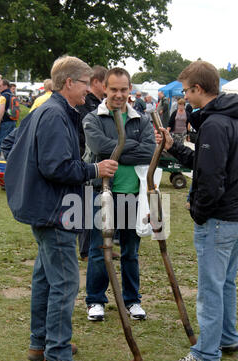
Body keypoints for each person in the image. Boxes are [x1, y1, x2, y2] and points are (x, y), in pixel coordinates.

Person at [4, 55, 118, 361]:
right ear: (69, 83)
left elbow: (22, 151)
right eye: (86, 83)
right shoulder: (54, 114)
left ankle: (41, 343)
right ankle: (57, 358)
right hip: (56, 212)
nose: (90, 89)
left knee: (45, 278)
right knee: (65, 283)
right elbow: (56, 167)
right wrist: (94, 170)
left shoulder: (46, 110)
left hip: (46, 209)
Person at [157, 60, 238, 361]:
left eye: (186, 90)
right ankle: (227, 338)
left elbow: (212, 179)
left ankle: (206, 355)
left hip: (222, 219)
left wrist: (198, 210)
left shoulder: (214, 123)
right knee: (224, 281)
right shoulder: (230, 116)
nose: (185, 96)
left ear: (198, 89)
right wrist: (175, 147)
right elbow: (207, 162)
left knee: (211, 287)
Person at [82, 67, 156, 322]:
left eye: (124, 89)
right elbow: (99, 147)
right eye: (114, 89)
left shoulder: (141, 119)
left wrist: (119, 150)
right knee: (99, 248)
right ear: (105, 88)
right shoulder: (93, 118)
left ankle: (132, 300)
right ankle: (95, 300)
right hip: (101, 192)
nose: (119, 94)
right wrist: (128, 148)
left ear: (130, 89)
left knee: (130, 251)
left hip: (133, 194)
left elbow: (150, 151)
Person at [76, 65, 107, 262]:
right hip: (83, 158)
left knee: (97, 205)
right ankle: (86, 249)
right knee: (86, 205)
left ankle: (99, 245)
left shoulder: (97, 103)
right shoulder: (85, 104)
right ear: (96, 82)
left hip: (92, 160)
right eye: (106, 84)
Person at [0, 79, 17, 155]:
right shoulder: (11, 95)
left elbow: (2, 110)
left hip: (5, 122)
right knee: (10, 142)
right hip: (12, 121)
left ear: (5, 86)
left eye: (0, 86)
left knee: (0, 140)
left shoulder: (3, 96)